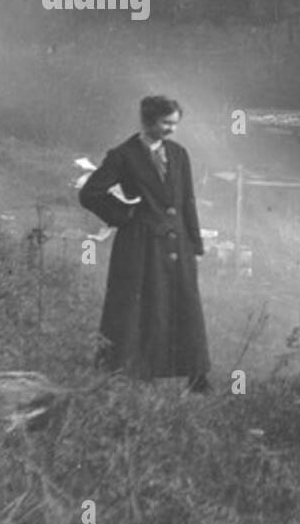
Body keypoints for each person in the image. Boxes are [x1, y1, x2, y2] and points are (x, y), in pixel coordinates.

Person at [79, 95, 211, 392]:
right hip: (140, 245)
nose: (171, 130)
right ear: (148, 121)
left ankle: (196, 376)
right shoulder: (123, 156)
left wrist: (195, 243)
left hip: (178, 245)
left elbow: (187, 200)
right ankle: (134, 372)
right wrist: (124, 214)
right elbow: (89, 194)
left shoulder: (179, 154)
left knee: (185, 305)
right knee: (140, 307)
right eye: (166, 123)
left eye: (175, 124)